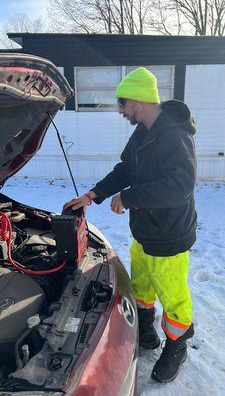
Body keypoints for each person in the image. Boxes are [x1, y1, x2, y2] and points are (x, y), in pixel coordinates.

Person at [63, 67, 197, 383]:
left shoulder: (176, 135)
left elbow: (180, 186)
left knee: (173, 295)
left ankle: (178, 345)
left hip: (170, 236)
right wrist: (92, 195)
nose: (120, 111)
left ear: (138, 99)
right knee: (142, 286)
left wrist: (130, 197)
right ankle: (146, 330)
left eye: (122, 103)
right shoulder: (142, 134)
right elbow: (125, 170)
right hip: (144, 232)